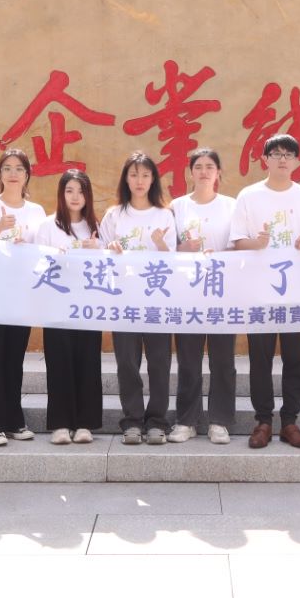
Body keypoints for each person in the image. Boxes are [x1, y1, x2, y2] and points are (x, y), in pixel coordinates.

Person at [230, 133, 300, 449]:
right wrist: (255, 243)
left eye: (288, 154)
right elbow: (237, 241)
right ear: (265, 159)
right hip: (260, 292)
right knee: (260, 360)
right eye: (276, 153)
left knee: (295, 359)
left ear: (298, 161)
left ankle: (290, 422)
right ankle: (263, 421)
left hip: (297, 293)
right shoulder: (249, 196)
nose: (282, 159)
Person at [101, 150, 177, 445]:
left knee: (159, 362)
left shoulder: (164, 214)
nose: (140, 180)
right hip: (124, 301)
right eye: (134, 174)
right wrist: (110, 248)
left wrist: (160, 243)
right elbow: (101, 255)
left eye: (146, 175)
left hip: (157, 300)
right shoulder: (114, 215)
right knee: (127, 363)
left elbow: (173, 261)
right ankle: (132, 420)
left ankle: (157, 421)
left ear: (153, 179)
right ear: (126, 179)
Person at [0, 148, 47, 446]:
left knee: (14, 358)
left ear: (27, 175)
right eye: (7, 168)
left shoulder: (36, 211)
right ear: (0, 174)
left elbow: (42, 253)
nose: (13, 173)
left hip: (21, 294)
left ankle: (13, 419)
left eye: (19, 168)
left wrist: (25, 246)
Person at [169, 147, 238, 445]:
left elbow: (239, 245)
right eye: (198, 166)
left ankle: (219, 421)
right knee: (188, 358)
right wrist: (182, 249)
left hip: (223, 291)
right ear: (190, 172)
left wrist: (221, 256)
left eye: (210, 166)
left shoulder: (231, 206)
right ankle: (186, 420)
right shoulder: (177, 206)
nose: (204, 171)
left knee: (223, 359)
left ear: (218, 172)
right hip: (188, 292)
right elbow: (166, 248)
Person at [34, 169, 105, 445]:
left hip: (88, 305)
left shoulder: (95, 226)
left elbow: (109, 266)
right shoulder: (47, 226)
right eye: (69, 191)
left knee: (88, 362)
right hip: (57, 305)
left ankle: (86, 423)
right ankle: (60, 424)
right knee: (59, 362)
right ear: (61, 194)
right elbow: (36, 264)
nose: (75, 197)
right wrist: (55, 258)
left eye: (81, 191)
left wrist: (96, 250)